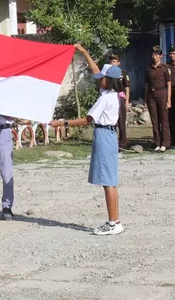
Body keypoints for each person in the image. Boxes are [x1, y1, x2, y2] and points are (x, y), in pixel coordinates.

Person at [51, 53, 125, 236]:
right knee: (111, 181)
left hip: (103, 134)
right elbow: (95, 71)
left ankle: (112, 222)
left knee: (108, 181)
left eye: (102, 79)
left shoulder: (106, 98)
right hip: (109, 134)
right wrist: (84, 53)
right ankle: (116, 221)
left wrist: (62, 123)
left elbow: (87, 120)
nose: (99, 81)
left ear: (109, 80)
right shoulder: (113, 94)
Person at [145, 45, 172, 152]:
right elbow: (146, 84)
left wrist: (169, 100)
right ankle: (157, 142)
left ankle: (165, 143)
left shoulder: (165, 68)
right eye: (153, 54)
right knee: (154, 121)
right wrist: (145, 98)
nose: (154, 57)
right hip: (151, 95)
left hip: (162, 94)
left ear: (161, 56)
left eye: (157, 55)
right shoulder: (148, 69)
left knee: (164, 120)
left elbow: (169, 84)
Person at [109, 53, 130, 149]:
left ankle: (122, 143)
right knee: (111, 121)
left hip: (120, 97)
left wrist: (126, 102)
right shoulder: (107, 74)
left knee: (121, 121)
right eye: (111, 62)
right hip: (110, 97)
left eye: (114, 62)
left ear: (118, 63)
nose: (112, 63)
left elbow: (127, 88)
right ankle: (112, 142)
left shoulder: (123, 73)